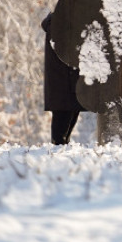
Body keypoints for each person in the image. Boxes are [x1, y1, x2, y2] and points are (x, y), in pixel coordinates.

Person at [41, 12, 83, 145]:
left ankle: (60, 150)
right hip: (64, 81)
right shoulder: (59, 24)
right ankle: (57, 153)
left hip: (68, 80)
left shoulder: (61, 23)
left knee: (69, 117)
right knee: (62, 123)